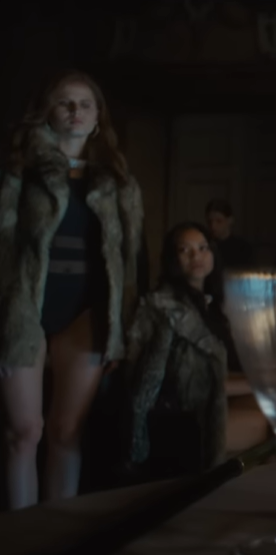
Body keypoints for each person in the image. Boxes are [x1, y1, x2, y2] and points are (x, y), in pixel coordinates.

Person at [0, 70, 146, 509]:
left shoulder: (118, 182)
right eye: (65, 102)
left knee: (67, 432)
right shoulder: (18, 173)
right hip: (23, 310)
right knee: (25, 431)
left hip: (86, 312)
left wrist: (122, 330)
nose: (75, 111)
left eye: (85, 104)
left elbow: (130, 263)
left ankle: (57, 535)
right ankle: (21, 535)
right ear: (47, 112)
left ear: (98, 117)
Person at [122, 223, 276, 481]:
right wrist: (263, 381)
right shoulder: (164, 309)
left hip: (208, 405)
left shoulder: (211, 306)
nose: (196, 256)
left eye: (203, 248)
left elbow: (217, 373)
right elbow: (188, 385)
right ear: (172, 259)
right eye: (185, 250)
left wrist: (272, 377)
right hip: (176, 418)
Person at [204, 197, 255, 269]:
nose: (213, 226)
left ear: (230, 220)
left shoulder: (243, 248)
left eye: (219, 221)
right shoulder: (205, 246)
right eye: (209, 222)